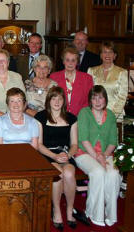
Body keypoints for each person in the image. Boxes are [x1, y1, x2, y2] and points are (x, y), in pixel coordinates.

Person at [75, 85, 121, 227]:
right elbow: (83, 139)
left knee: (113, 174)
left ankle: (111, 214)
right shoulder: (84, 113)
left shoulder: (111, 115)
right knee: (98, 172)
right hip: (85, 153)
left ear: (105, 100)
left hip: (106, 153)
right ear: (90, 100)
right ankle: (93, 213)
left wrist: (104, 155)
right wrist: (97, 157)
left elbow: (113, 141)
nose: (97, 101)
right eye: (94, 98)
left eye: (100, 97)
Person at [35, 86, 78, 230]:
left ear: (64, 101)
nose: (57, 101)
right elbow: (39, 145)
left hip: (66, 154)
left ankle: (69, 210)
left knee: (69, 173)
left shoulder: (71, 118)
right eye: (53, 98)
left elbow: (74, 144)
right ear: (48, 100)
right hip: (47, 155)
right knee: (58, 174)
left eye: (60, 98)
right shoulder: (40, 117)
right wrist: (54, 156)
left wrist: (68, 155)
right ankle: (57, 211)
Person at [87, 41, 128, 121]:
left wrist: (111, 116)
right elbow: (89, 94)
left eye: (110, 52)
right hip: (95, 115)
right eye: (105, 52)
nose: (107, 55)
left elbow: (122, 97)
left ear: (115, 55)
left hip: (115, 116)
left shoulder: (122, 72)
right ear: (101, 55)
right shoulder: (91, 71)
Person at [50, 47, 94, 116]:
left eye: (73, 60)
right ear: (63, 61)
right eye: (67, 60)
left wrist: (80, 116)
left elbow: (89, 101)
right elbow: (51, 99)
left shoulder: (87, 78)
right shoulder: (54, 77)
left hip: (80, 117)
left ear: (77, 62)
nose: (70, 63)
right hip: (59, 117)